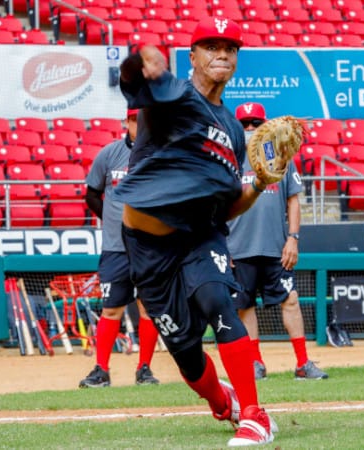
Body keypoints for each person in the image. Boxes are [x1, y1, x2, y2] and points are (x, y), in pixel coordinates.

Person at [112, 17, 276, 446]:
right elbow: (136, 77)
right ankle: (223, 402)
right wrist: (144, 57)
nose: (221, 53)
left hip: (200, 234)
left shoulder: (235, 132)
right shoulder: (174, 95)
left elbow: (229, 204)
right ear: (193, 56)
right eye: (210, 46)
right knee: (186, 354)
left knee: (218, 300)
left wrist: (257, 184)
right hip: (147, 244)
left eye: (229, 47)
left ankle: (255, 415)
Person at [228, 102, 327, 381]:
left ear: (266, 126)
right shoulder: (229, 157)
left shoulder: (280, 155)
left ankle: (303, 363)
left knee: (291, 300)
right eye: (245, 124)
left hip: (275, 247)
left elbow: (293, 199)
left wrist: (293, 239)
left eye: (255, 124)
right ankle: (255, 363)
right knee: (243, 305)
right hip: (238, 246)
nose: (250, 129)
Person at [79, 108, 161, 388]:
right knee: (111, 308)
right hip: (116, 247)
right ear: (126, 122)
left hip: (150, 246)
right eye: (135, 120)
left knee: (148, 308)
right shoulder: (109, 153)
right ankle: (101, 369)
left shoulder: (160, 154)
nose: (140, 125)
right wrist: (112, 220)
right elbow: (91, 193)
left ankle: (145, 368)